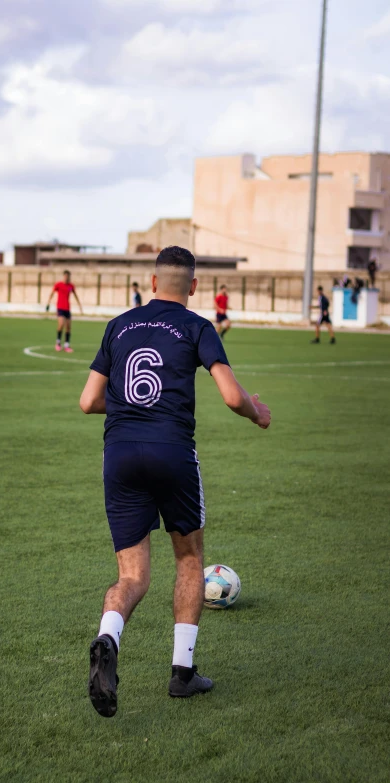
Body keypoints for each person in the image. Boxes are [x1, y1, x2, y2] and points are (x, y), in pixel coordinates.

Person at [80, 246, 271, 718]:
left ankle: (108, 637)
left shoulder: (119, 325)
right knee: (188, 558)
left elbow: (88, 401)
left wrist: (129, 408)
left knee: (132, 576)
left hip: (119, 453)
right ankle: (182, 674)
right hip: (171, 451)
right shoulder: (197, 326)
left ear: (151, 281)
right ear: (194, 286)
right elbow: (230, 396)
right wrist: (257, 412)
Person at [46, 270, 83, 353]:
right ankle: (58, 343)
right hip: (60, 308)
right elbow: (52, 293)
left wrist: (79, 305)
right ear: (63, 276)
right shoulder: (58, 285)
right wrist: (48, 303)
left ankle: (66, 345)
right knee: (61, 324)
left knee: (68, 327)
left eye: (68, 276)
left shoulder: (71, 286)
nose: (67, 278)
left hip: (67, 309)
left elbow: (75, 295)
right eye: (66, 276)